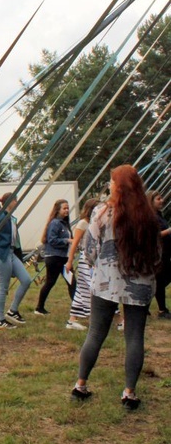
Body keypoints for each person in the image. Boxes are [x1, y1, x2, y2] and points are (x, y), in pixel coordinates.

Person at [72, 165, 160, 410]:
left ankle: (81, 384)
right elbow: (156, 254)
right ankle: (129, 392)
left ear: (118, 185)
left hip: (105, 281)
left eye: (111, 181)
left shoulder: (101, 213)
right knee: (134, 337)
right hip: (139, 283)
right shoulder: (149, 216)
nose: (109, 185)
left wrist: (97, 265)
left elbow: (89, 250)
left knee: (96, 333)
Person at [0, 192, 32, 329]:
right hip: (1, 254)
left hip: (11, 254)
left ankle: (13, 310)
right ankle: (0, 319)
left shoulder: (11, 218)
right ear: (10, 202)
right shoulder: (1, 216)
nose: (17, 203)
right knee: (3, 287)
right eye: (16, 200)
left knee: (26, 280)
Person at [34, 199, 76, 315]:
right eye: (64, 208)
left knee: (71, 282)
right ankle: (39, 307)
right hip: (55, 258)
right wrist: (67, 240)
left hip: (63, 257)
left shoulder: (65, 223)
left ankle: (77, 307)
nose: (67, 210)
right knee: (51, 282)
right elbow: (52, 240)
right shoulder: (55, 223)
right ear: (58, 210)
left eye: (68, 208)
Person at [64, 198, 99, 330]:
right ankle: (117, 319)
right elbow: (75, 243)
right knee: (96, 288)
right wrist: (69, 261)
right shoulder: (83, 223)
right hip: (86, 260)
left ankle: (72, 320)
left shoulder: (95, 223)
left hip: (94, 259)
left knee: (81, 290)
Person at [148, 190, 171, 319]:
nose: (162, 200)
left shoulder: (159, 215)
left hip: (165, 254)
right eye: (158, 198)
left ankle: (147, 307)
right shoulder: (151, 217)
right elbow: (154, 235)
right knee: (159, 282)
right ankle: (162, 310)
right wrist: (168, 231)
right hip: (158, 255)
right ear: (151, 201)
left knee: (159, 282)